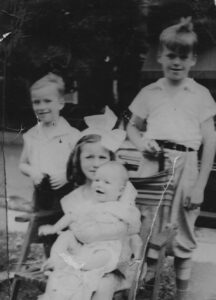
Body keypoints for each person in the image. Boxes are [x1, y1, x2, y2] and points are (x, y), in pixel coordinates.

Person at [127, 17, 216, 299]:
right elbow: (132, 126)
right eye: (170, 55)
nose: (176, 62)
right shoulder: (149, 92)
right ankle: (143, 290)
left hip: (187, 168)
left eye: (183, 57)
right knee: (148, 229)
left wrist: (200, 185)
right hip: (153, 167)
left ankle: (182, 295)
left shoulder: (200, 94)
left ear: (193, 60)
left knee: (183, 233)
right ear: (160, 56)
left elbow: (211, 139)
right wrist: (143, 143)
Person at [38, 162, 142, 300]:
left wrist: (136, 253)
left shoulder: (120, 208)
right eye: (97, 180)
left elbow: (133, 228)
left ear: (121, 190)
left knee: (101, 257)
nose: (99, 184)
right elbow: (71, 215)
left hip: (106, 250)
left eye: (106, 182)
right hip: (84, 247)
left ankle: (72, 263)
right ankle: (56, 258)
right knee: (66, 236)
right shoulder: (90, 204)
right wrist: (54, 228)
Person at [19, 73, 80, 211]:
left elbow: (80, 165)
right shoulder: (31, 135)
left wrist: (67, 175)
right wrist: (33, 172)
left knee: (62, 229)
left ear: (60, 103)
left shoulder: (72, 135)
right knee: (39, 228)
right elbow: (22, 164)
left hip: (67, 196)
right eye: (36, 102)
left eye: (47, 101)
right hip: (41, 195)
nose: (41, 107)